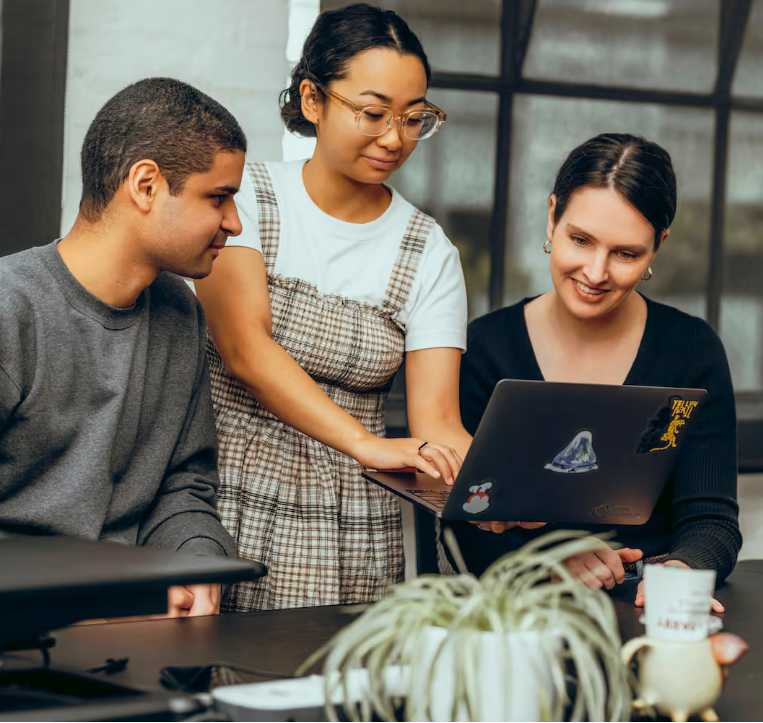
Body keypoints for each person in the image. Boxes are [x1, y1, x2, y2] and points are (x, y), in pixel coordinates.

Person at [194, 3, 471, 611]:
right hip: (220, 497)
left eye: (414, 118)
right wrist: (368, 444)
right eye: (373, 113)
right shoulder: (247, 201)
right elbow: (246, 351)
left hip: (352, 523)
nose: (395, 138)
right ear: (313, 100)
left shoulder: (428, 252)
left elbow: (438, 426)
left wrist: (506, 490)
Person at [453, 133, 741, 610]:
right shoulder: (485, 349)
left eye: (626, 253)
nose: (595, 271)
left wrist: (680, 572)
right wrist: (548, 560)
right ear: (552, 217)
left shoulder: (692, 350)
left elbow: (712, 520)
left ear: (657, 247)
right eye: (580, 240)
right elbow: (465, 522)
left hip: (650, 610)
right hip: (519, 621)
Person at [0, 77, 246, 617]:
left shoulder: (180, 311)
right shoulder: (10, 310)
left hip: (136, 632)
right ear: (146, 185)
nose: (234, 222)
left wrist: (197, 562)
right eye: (219, 197)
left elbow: (184, 487)